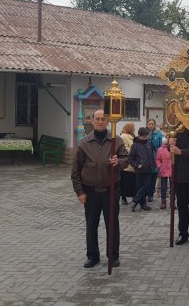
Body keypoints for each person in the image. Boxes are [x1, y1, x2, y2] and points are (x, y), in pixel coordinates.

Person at [71, 109, 129, 268]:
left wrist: (120, 162)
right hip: (91, 192)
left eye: (104, 119)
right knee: (91, 225)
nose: (101, 121)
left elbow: (126, 161)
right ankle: (92, 256)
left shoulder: (116, 141)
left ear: (108, 121)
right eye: (97, 119)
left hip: (111, 190)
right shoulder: (84, 143)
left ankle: (113, 255)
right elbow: (75, 170)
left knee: (112, 225)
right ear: (92, 121)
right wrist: (80, 192)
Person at [129, 127, 155, 212]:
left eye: (146, 136)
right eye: (143, 137)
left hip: (149, 169)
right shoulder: (135, 145)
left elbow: (151, 155)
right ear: (139, 136)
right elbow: (131, 158)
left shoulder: (149, 143)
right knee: (140, 187)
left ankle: (135, 201)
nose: (145, 138)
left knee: (146, 186)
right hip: (139, 170)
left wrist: (153, 165)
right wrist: (136, 165)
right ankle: (143, 204)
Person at [146, 119, 164, 202]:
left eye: (152, 124)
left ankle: (151, 194)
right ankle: (147, 193)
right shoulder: (145, 133)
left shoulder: (159, 134)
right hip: (147, 158)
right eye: (149, 124)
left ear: (155, 124)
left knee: (153, 176)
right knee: (147, 176)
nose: (151, 125)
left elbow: (161, 146)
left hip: (155, 158)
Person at [119, 122, 136, 206]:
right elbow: (125, 148)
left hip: (133, 163)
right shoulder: (123, 137)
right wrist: (134, 152)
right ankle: (123, 197)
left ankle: (134, 197)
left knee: (132, 182)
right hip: (127, 164)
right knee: (125, 182)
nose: (134, 129)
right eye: (133, 127)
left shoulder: (133, 136)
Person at [155, 137, 172, 210]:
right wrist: (160, 166)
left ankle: (172, 201)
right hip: (163, 169)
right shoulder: (160, 149)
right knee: (163, 187)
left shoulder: (172, 148)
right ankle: (163, 201)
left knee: (173, 187)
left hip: (172, 169)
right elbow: (157, 159)